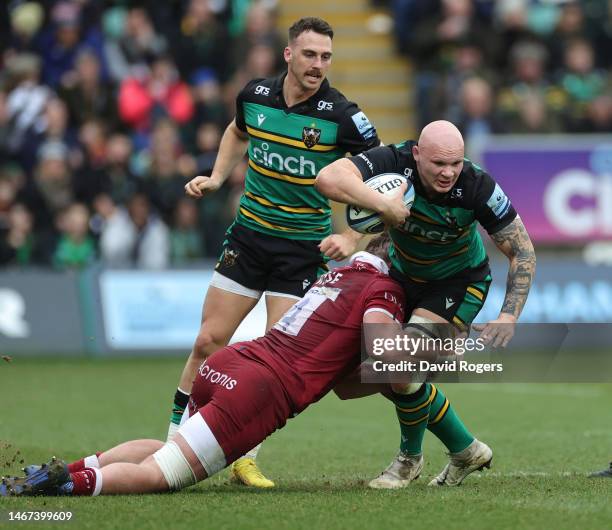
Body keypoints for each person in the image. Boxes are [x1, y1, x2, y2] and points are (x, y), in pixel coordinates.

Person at [2, 237, 413, 497]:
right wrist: (424, 363)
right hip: (258, 391)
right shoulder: (385, 289)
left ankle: (64, 470)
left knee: (167, 450)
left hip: (230, 362)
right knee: (160, 477)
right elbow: (388, 360)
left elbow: (342, 383)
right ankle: (63, 486)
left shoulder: (338, 276)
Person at [173, 17, 382, 487]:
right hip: (248, 238)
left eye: (326, 56)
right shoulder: (256, 97)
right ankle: (174, 442)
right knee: (208, 341)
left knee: (275, 363)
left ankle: (243, 456)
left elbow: (384, 183)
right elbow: (235, 131)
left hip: (301, 252)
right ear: (288, 54)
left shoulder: (345, 117)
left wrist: (352, 237)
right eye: (310, 54)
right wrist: (219, 175)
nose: (318, 65)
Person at [316, 120, 536, 488]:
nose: (449, 173)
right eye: (438, 164)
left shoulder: (478, 186)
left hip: (457, 286)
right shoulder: (395, 161)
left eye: (456, 163)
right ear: (417, 155)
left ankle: (408, 460)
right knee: (351, 381)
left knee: (394, 363)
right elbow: (328, 178)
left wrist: (508, 315)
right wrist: (375, 213)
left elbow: (522, 251)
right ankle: (465, 449)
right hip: (401, 278)